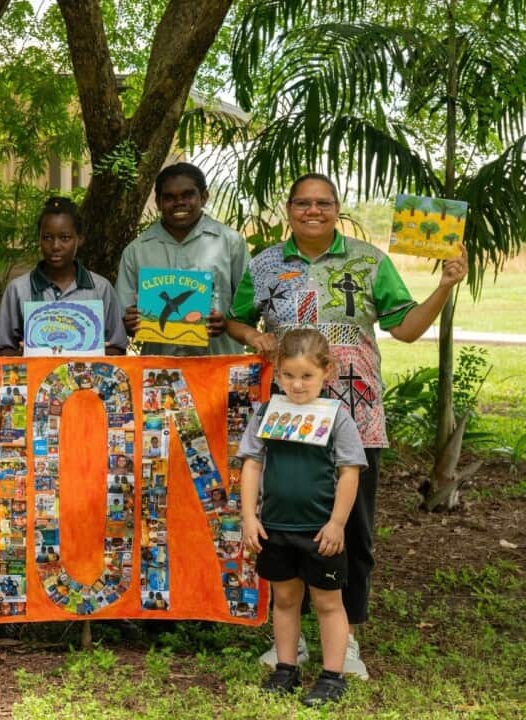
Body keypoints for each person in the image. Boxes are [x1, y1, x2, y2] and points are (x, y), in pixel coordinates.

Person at [227, 172, 469, 678]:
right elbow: (236, 317)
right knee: (285, 522)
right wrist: (253, 336)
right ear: (288, 209)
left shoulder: (369, 261)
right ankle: (291, 640)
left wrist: (445, 287)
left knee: (352, 529)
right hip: (287, 417)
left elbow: (406, 328)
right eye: (302, 203)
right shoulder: (265, 263)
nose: (312, 211)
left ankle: (347, 637)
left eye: (323, 202)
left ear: (338, 208)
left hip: (355, 415)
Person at [239, 329, 366, 707]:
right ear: (277, 373)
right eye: (288, 375)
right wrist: (249, 516)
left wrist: (337, 523)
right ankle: (286, 668)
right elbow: (252, 464)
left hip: (320, 530)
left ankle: (332, 676)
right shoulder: (267, 413)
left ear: (327, 372)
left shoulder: (337, 417)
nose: (297, 384)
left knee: (328, 602)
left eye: (307, 375)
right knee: (284, 599)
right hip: (276, 527)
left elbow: (349, 471)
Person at [116, 162, 249, 356]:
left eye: (188, 195)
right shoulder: (136, 251)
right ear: (158, 202)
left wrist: (227, 323)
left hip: (218, 364)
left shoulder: (231, 243)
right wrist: (128, 323)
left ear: (203, 197)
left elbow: (249, 308)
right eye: (169, 197)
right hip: (160, 369)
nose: (179, 202)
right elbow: (122, 320)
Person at [0, 197, 126, 355]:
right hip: (35, 371)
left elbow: (118, 348)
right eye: (47, 238)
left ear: (80, 239)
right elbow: (2, 350)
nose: (55, 246)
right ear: (39, 239)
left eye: (65, 238)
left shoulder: (101, 289)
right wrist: (25, 355)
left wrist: (93, 352)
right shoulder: (18, 290)